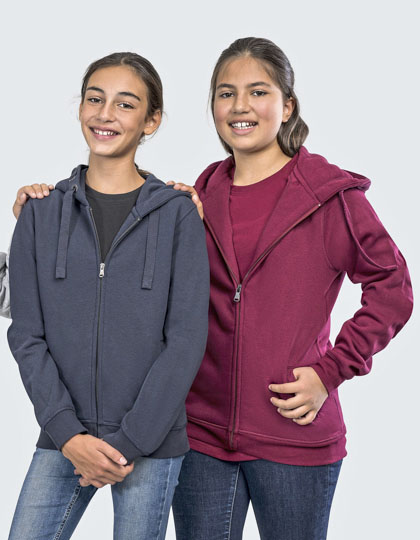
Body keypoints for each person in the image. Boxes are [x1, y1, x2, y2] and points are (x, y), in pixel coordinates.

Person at [2, 37, 414, 540]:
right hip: (201, 439)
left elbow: (393, 288)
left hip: (292, 435)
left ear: (287, 106)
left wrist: (329, 372)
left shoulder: (328, 198)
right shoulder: (198, 196)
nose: (240, 106)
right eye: (225, 93)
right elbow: (108, 293)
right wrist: (40, 224)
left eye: (258, 92)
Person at [4, 51, 209, 540]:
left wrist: (131, 441)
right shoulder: (39, 213)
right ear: (80, 108)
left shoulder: (178, 214)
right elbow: (27, 334)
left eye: (125, 104)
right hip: (63, 435)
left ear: (150, 121)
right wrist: (67, 434)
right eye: (95, 99)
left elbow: (185, 339)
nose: (105, 114)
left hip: (150, 441)